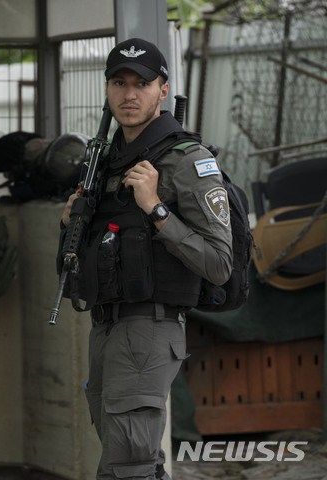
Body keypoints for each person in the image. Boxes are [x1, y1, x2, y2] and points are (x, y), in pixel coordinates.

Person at [59, 38, 232, 480]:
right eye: (119, 82)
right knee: (127, 461)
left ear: (163, 89)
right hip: (107, 325)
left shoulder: (186, 160)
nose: (129, 94)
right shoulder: (108, 160)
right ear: (106, 90)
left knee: (129, 465)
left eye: (142, 83)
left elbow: (218, 263)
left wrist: (156, 208)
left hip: (150, 327)